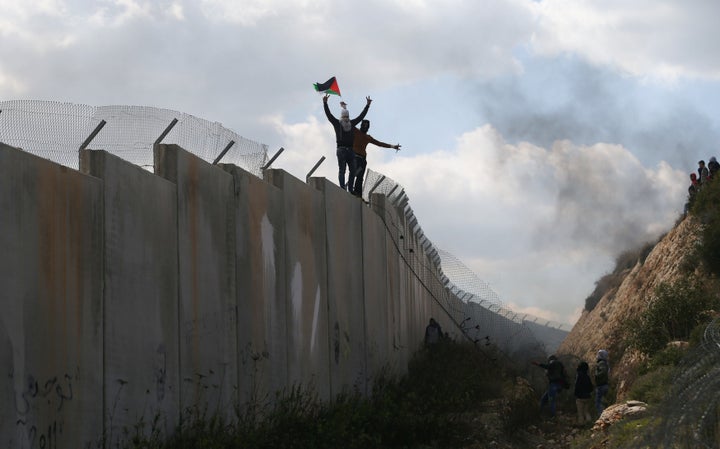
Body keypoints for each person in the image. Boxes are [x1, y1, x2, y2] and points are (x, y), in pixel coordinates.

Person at [323, 94, 372, 191]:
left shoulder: (349, 123)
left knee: (352, 171)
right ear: (342, 117)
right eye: (344, 116)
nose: (346, 118)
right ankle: (342, 188)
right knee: (342, 170)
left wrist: (367, 105)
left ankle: (350, 189)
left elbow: (361, 116)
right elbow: (329, 115)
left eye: (347, 117)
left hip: (350, 150)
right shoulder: (339, 123)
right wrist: (325, 103)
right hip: (342, 149)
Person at [350, 119, 401, 197]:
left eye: (367, 126)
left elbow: (379, 143)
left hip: (362, 159)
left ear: (368, 128)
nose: (365, 127)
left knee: (360, 177)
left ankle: (358, 194)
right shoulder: (356, 131)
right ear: (361, 125)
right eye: (364, 125)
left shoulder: (368, 137)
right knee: (354, 174)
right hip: (355, 157)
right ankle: (351, 190)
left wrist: (392, 146)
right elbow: (348, 123)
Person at [574, 361, 594, 426]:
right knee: (586, 412)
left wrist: (576, 394)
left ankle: (581, 424)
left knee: (580, 413)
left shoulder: (579, 375)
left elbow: (577, 386)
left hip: (580, 397)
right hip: (587, 396)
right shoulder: (587, 376)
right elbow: (591, 387)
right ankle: (589, 423)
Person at [594, 349, 610, 414]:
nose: (598, 355)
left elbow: (603, 372)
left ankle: (602, 417)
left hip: (601, 385)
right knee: (603, 403)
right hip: (604, 384)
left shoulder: (601, 363)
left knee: (598, 403)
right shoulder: (605, 362)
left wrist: (596, 375)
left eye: (599, 354)